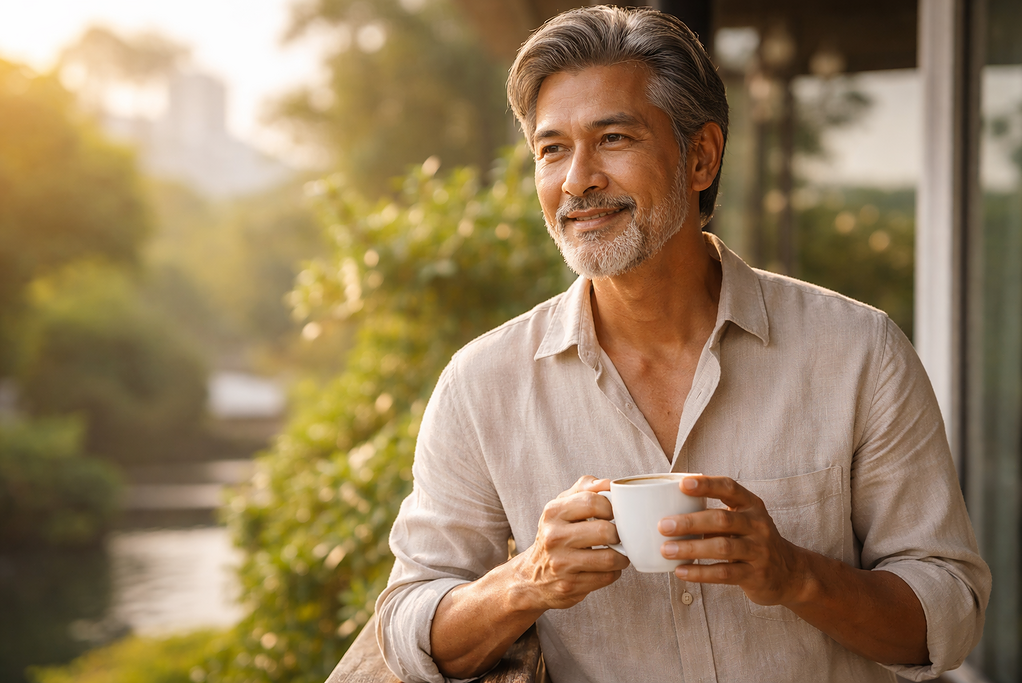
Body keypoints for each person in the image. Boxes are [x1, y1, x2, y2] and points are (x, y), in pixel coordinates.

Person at [375, 6, 990, 682]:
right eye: (552, 148)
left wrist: (795, 574)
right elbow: (410, 624)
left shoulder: (859, 352)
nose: (577, 179)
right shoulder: (481, 383)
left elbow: (948, 612)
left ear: (701, 157)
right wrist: (529, 579)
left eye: (612, 138)